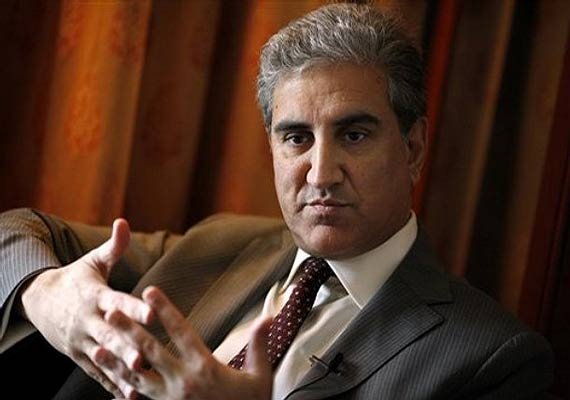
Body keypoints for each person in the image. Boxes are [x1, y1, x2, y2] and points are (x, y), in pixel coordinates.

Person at [0, 3, 554, 400]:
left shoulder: (493, 360)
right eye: (296, 138)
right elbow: (14, 232)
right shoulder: (220, 241)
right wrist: (50, 297)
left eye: (354, 135)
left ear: (412, 149)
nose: (321, 173)